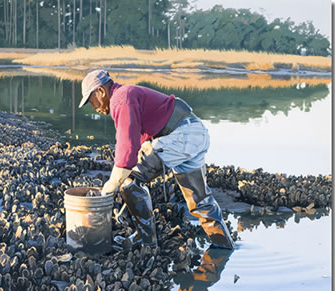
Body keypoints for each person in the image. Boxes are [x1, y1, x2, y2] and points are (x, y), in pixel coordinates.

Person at [78, 69, 234, 250]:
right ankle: (224, 246)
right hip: (195, 131)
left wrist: (110, 188)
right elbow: (140, 141)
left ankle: (146, 242)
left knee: (129, 182)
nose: (94, 107)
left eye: (91, 101)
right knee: (201, 201)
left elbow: (126, 151)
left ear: (101, 92)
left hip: (180, 135)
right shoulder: (128, 94)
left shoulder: (120, 99)